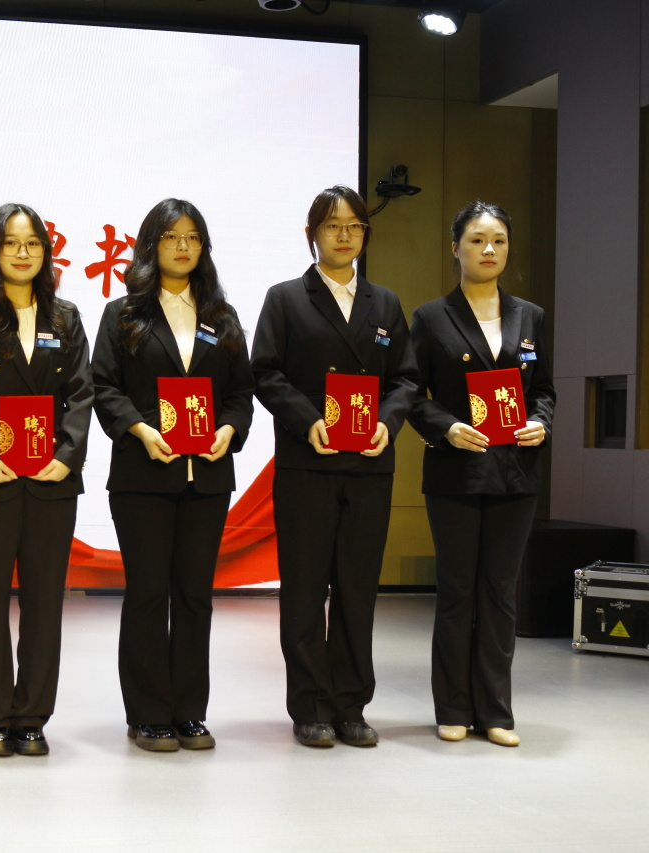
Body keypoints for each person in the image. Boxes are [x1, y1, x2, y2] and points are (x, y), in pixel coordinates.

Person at [251, 185, 418, 748]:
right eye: (332, 225)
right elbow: (265, 372)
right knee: (303, 589)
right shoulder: (285, 299)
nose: (344, 235)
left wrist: (387, 421)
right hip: (308, 463)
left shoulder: (385, 303)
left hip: (369, 466)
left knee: (357, 588)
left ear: (365, 234)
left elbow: (406, 378)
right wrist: (308, 421)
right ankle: (310, 706)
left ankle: (351, 705)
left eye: (354, 226)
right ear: (312, 234)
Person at [91, 199, 254, 752]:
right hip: (143, 476)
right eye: (170, 237)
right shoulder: (123, 314)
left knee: (194, 595)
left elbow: (240, 393)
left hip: (207, 478)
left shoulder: (222, 316)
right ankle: (147, 714)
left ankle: (189, 711)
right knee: (147, 593)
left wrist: (229, 430)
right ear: (150, 245)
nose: (183, 246)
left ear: (204, 247)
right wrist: (139, 429)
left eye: (192, 237)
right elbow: (103, 386)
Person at [0, 203, 92, 757]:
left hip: (51, 481)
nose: (22, 253)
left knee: (45, 604)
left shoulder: (66, 317)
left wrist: (68, 455)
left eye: (32, 244)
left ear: (46, 252)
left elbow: (82, 393)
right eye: (10, 243)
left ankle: (32, 718)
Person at [407, 201, 553, 748]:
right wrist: (445, 427)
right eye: (476, 240)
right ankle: (452, 707)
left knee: (499, 593)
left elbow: (545, 389)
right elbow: (410, 393)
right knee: (457, 590)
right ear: (456, 248)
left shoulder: (530, 316)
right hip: (456, 471)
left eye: (498, 240)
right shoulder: (430, 317)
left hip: (516, 472)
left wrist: (541, 421)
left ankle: (495, 710)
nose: (489, 250)